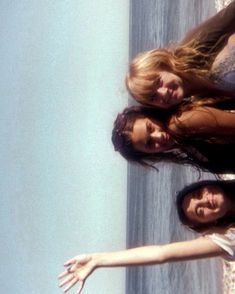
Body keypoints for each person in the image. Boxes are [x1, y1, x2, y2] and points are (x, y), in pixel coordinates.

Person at [58, 180, 235, 294]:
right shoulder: (228, 239)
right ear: (211, 222)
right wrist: (98, 260)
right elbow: (162, 254)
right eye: (200, 211)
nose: (204, 201)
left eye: (197, 195)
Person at [126, 1, 235, 109]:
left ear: (163, 64)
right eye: (153, 97)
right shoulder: (198, 105)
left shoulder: (195, 43)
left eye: (158, 82)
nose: (163, 94)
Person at [112, 105, 235, 174]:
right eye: (149, 143)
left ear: (148, 116)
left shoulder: (183, 123)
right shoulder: (185, 145)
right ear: (149, 154)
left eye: (150, 127)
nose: (158, 136)